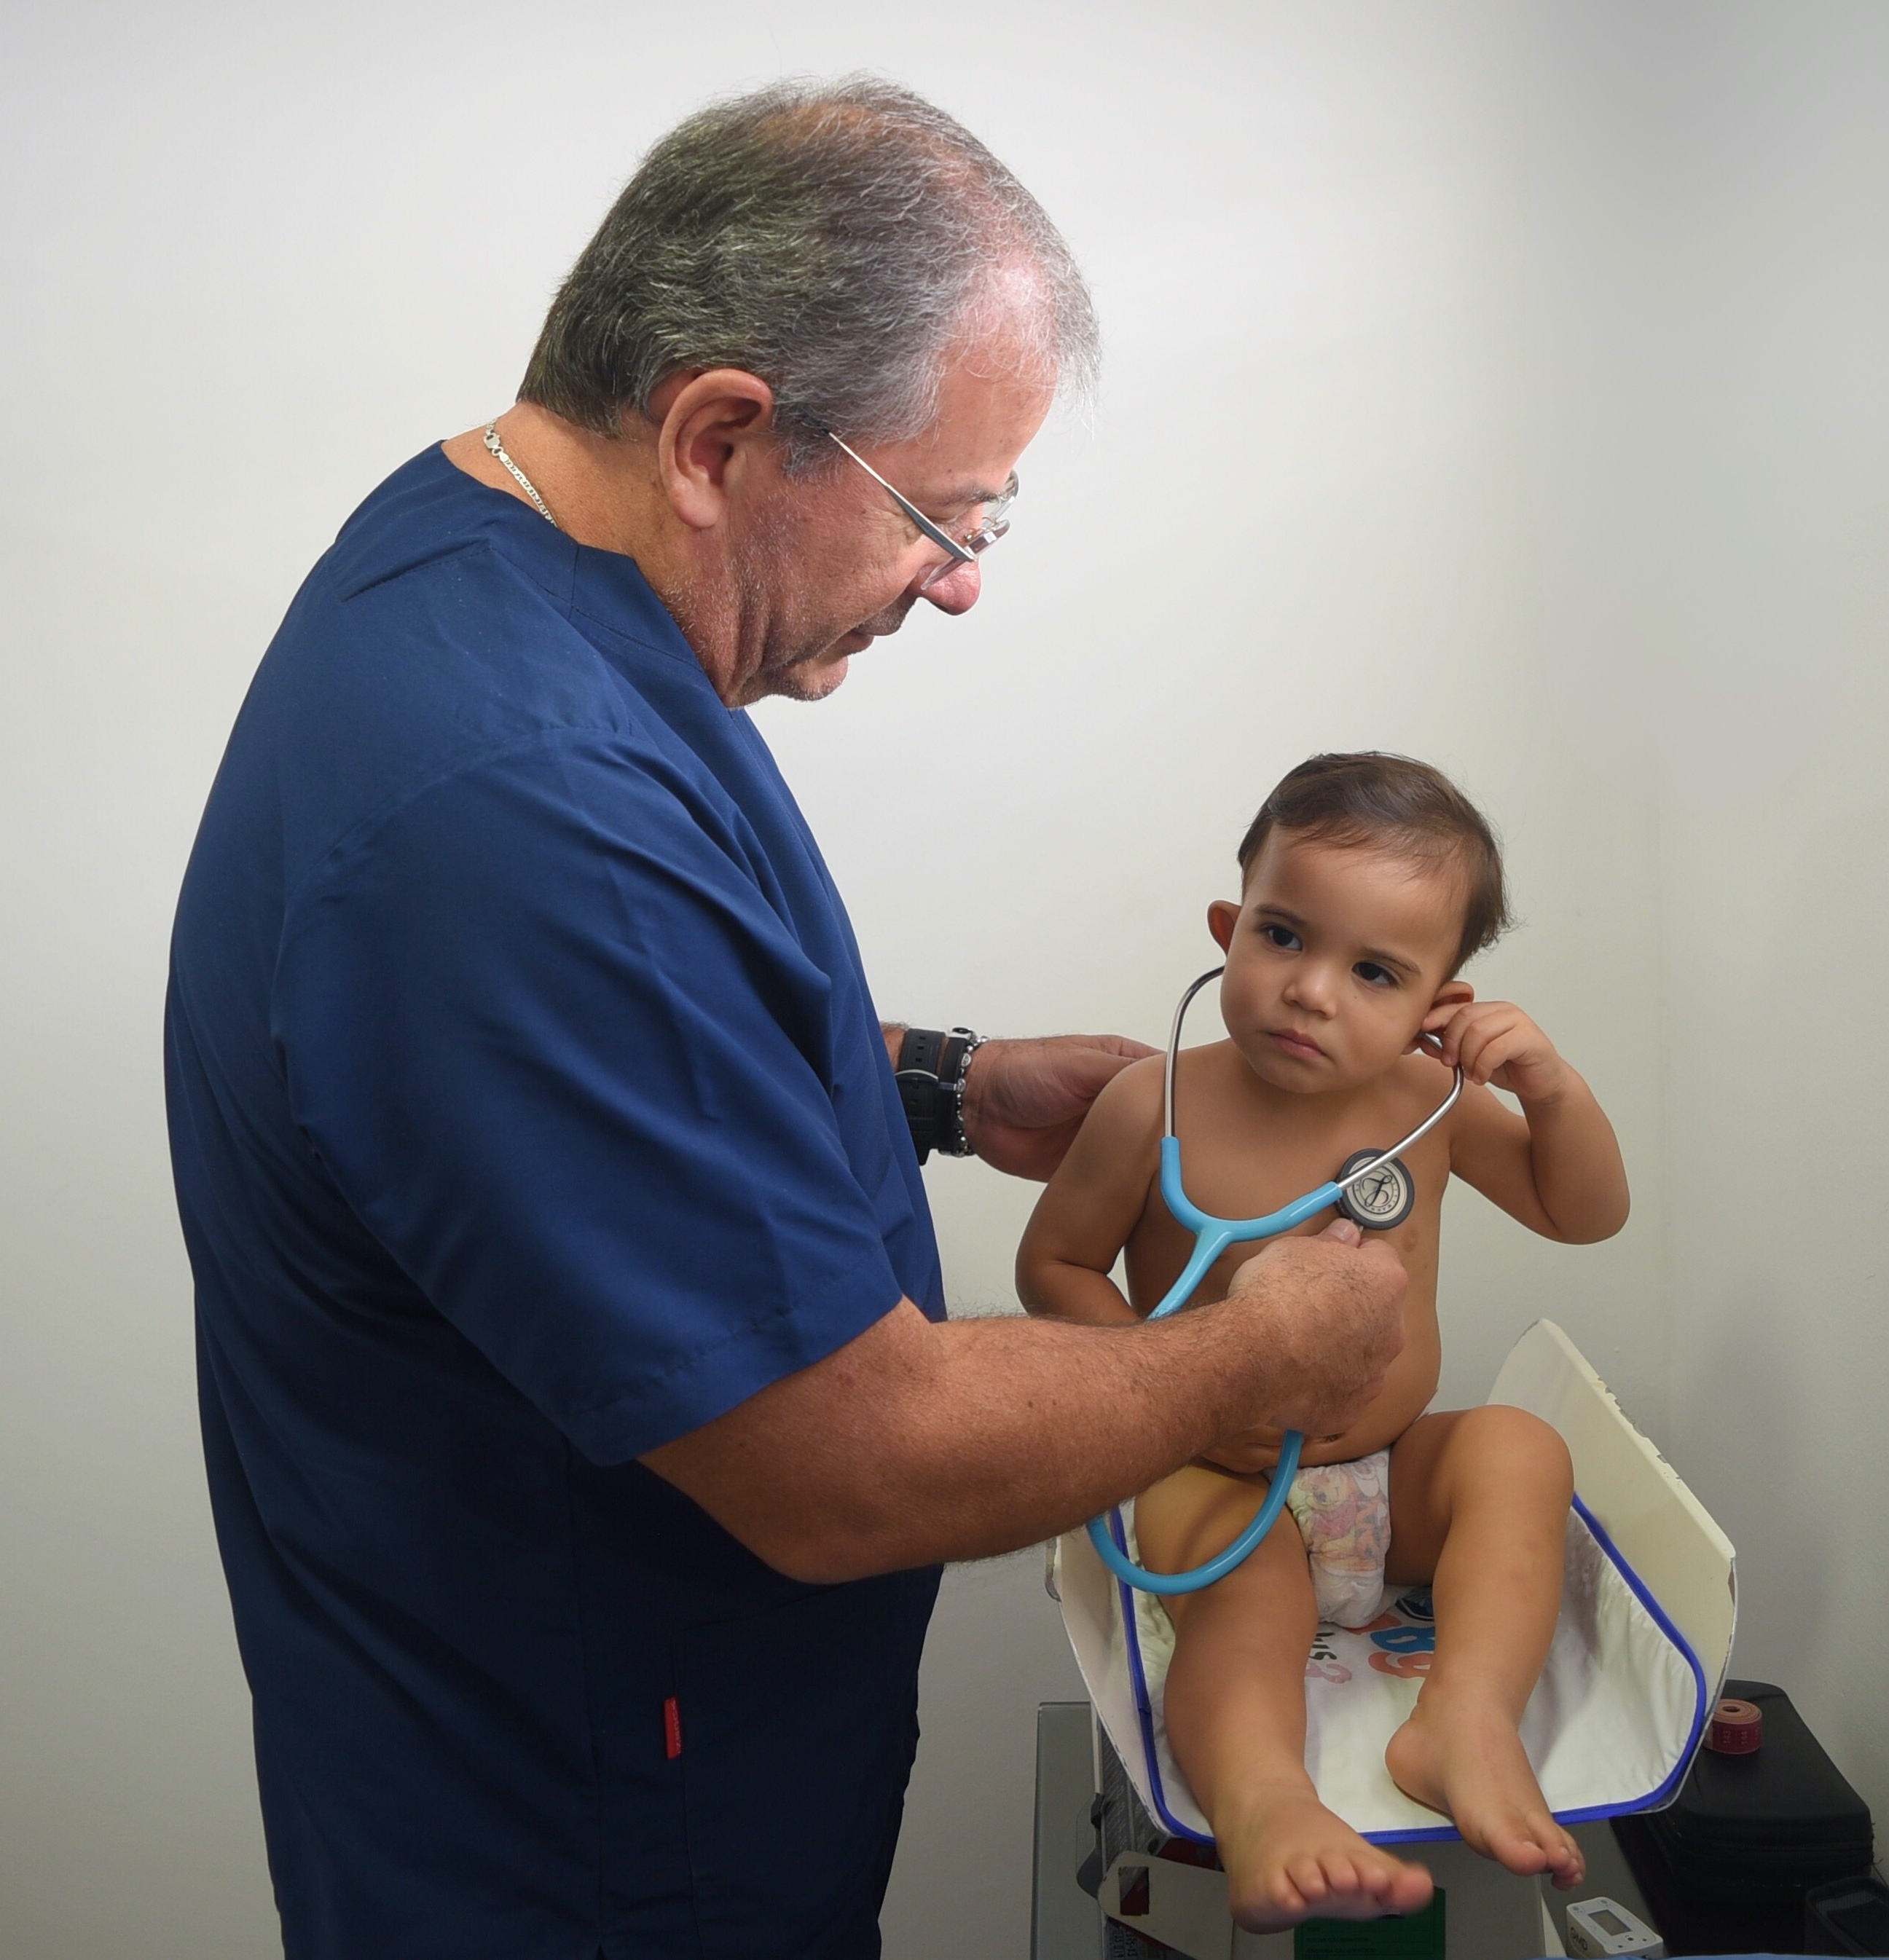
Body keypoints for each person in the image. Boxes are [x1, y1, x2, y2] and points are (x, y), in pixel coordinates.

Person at [164, 81, 1410, 1959]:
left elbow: (564, 1066)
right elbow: (859, 1464)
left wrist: (932, 1082)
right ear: (721, 434)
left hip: (617, 1759)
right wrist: (1261, 1352)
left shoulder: (473, 557)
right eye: (943, 512)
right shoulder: (512, 806)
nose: (964, 580)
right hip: (587, 1849)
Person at [1017, 752, 1631, 1932]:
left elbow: (1581, 1213)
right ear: (1226, 928)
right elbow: (1053, 1266)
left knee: (1518, 1451)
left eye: (1375, 971)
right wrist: (1168, 1396)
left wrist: (1548, 1090)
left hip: (1386, 1483)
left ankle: (1463, 1719)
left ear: (1437, 1005)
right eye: (1285, 937)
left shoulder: (1426, 1106)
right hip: (1218, 1479)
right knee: (1242, 1597)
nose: (1311, 990)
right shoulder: (1154, 1107)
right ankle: (1261, 1803)